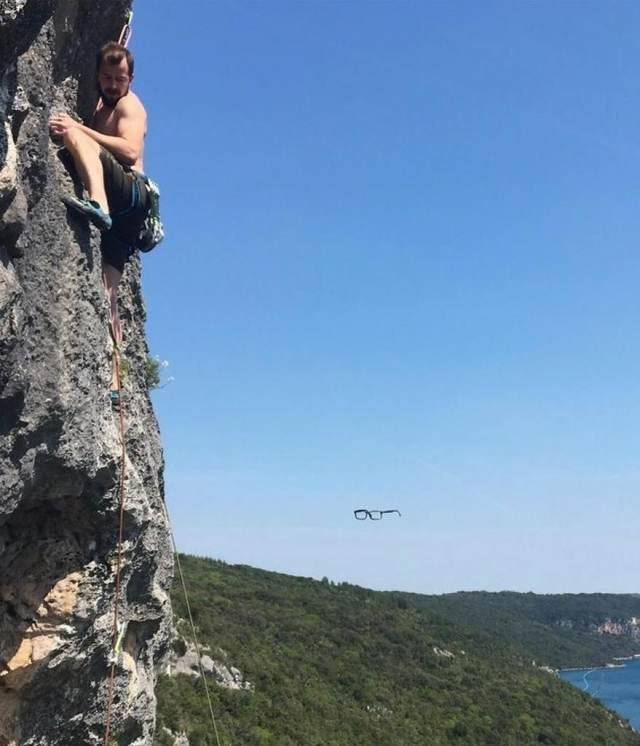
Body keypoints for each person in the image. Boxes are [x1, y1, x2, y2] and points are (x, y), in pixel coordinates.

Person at [49, 41, 149, 408]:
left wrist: (80, 128)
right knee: (109, 293)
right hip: (126, 224)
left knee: (74, 135)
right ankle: (114, 383)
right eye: (106, 77)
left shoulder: (129, 105)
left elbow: (130, 152)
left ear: (130, 79)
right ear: (97, 76)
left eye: (119, 78)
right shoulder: (100, 105)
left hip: (131, 195)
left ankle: (97, 203)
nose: (111, 84)